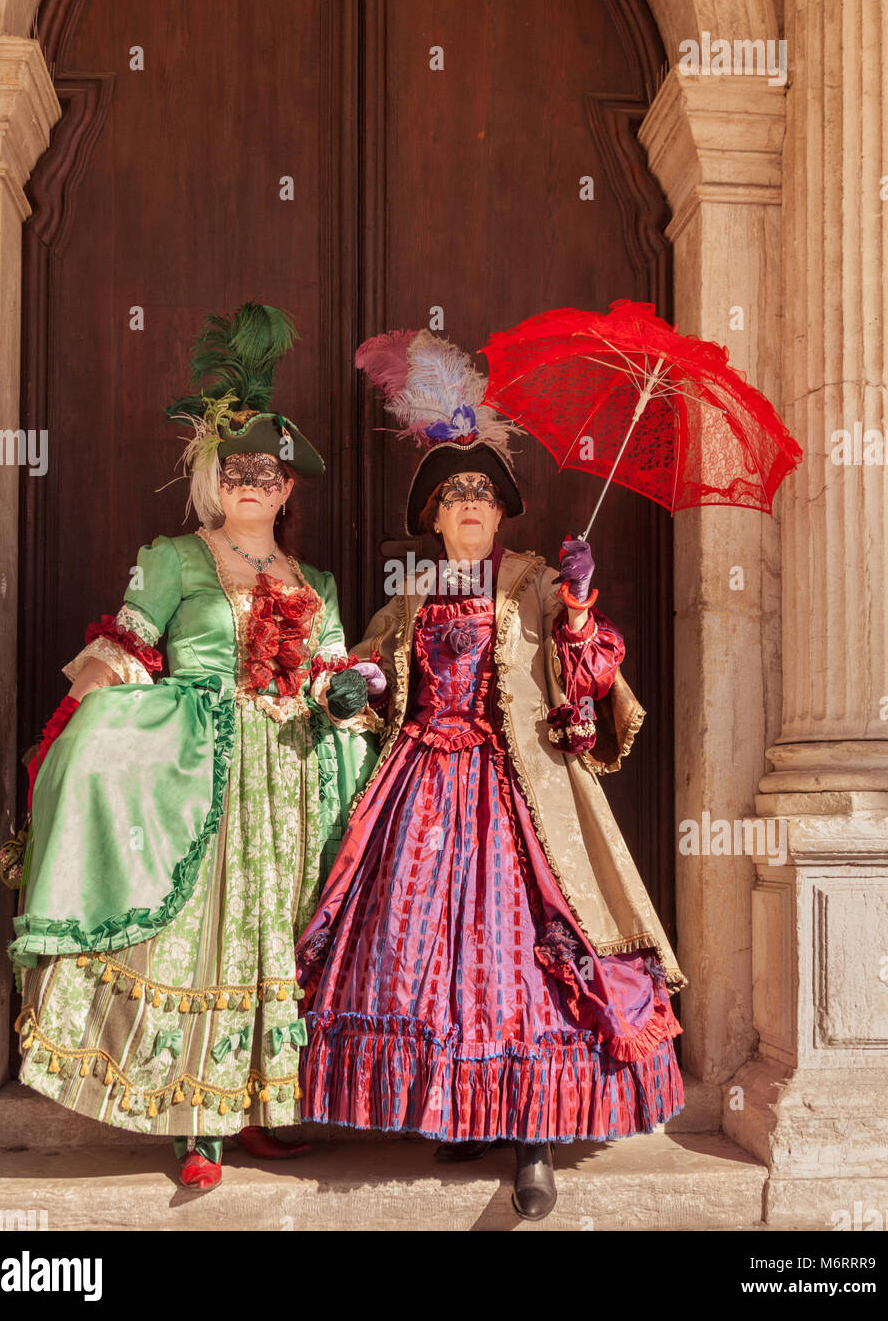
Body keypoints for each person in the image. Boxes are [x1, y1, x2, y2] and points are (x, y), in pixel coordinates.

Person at [296, 328, 687, 1221]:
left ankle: (534, 1143)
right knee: (427, 961)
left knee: (527, 965)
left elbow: (587, 679)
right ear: (432, 514)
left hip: (521, 802)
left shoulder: (537, 581)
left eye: (482, 491)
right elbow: (367, 677)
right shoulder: (411, 594)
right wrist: (356, 683)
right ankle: (460, 1109)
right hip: (417, 798)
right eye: (453, 493)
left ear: (502, 510)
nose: (469, 503)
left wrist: (579, 608)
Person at [6, 304, 380, 1190]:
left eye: (269, 471)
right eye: (238, 468)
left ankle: (250, 1108)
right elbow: (127, 650)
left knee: (270, 940)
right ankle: (193, 1129)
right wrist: (71, 739)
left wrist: (348, 690)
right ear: (218, 480)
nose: (253, 482)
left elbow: (329, 675)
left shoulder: (314, 580)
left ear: (288, 488)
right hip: (198, 772)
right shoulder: (172, 559)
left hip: (288, 777)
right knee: (197, 933)